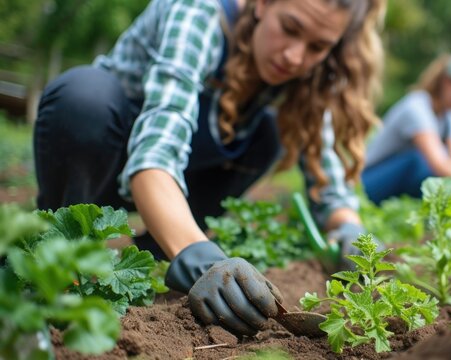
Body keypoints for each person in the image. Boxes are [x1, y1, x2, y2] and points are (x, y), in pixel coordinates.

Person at [33, 0, 384, 337]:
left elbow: (327, 179)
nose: (295, 56)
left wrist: (350, 233)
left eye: (317, 47)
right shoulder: (199, 12)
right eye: (289, 28)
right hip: (108, 161)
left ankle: (158, 255)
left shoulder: (305, 70)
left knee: (269, 132)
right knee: (83, 98)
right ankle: (61, 245)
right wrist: (201, 258)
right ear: (262, 4)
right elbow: (156, 150)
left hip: (174, 190)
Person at [361, 47, 451, 205]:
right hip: (366, 184)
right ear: (448, 81)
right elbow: (441, 164)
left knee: (447, 182)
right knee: (420, 164)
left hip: (395, 191)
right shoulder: (416, 107)